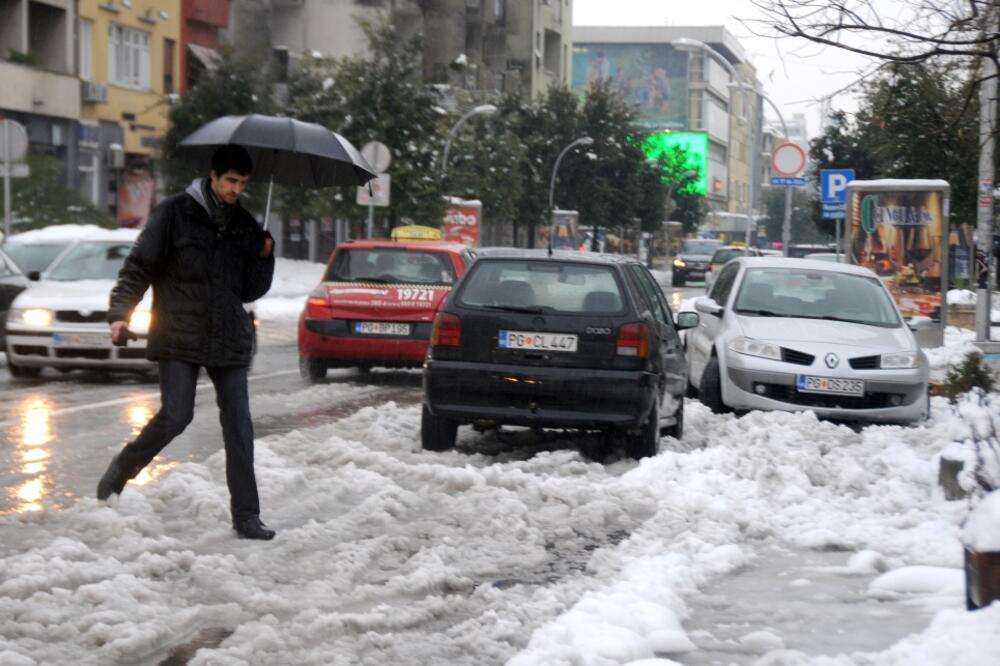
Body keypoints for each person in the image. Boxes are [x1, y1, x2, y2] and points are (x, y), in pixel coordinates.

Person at [97, 144, 277, 541]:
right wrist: (119, 315)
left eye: (243, 183)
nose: (235, 189)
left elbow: (248, 289)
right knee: (177, 415)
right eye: (231, 181)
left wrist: (264, 255)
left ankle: (247, 516)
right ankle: (120, 471)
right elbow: (139, 266)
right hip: (179, 331)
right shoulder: (174, 213)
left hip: (227, 335)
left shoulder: (246, 225)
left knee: (239, 427)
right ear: (213, 175)